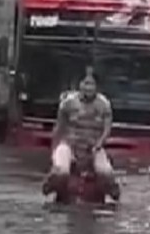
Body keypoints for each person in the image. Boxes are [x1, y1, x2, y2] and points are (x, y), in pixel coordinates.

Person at [46, 70, 119, 199]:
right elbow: (59, 128)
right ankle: (49, 187)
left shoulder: (104, 104)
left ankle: (114, 196)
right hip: (68, 145)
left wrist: (99, 144)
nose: (88, 88)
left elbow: (107, 129)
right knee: (61, 172)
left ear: (97, 87)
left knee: (105, 174)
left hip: (94, 147)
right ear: (79, 84)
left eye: (92, 84)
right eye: (86, 83)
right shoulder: (67, 103)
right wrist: (54, 151)